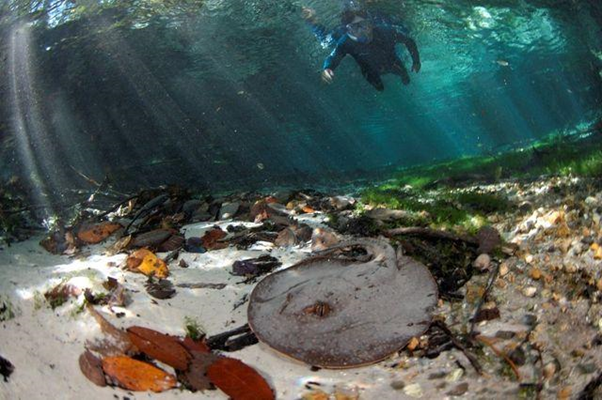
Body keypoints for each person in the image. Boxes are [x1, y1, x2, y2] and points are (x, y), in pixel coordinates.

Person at [304, 8, 421, 91]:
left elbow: (409, 41)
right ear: (348, 30)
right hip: (369, 70)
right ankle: (312, 22)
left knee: (405, 77)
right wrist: (327, 68)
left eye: (363, 25)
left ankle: (404, 78)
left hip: (392, 62)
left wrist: (416, 61)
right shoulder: (346, 42)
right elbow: (334, 56)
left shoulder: (384, 32)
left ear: (370, 24)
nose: (361, 32)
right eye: (354, 28)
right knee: (379, 88)